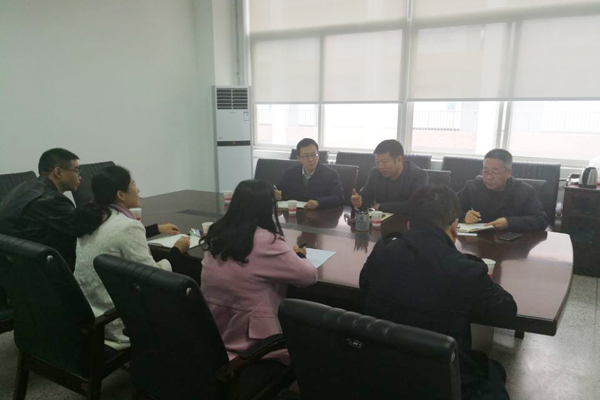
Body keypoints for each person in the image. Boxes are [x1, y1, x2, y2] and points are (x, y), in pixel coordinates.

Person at [360, 185, 517, 400]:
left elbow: (364, 285)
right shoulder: (466, 269)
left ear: (409, 224)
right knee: (494, 370)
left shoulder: (382, 250)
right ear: (454, 227)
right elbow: (507, 312)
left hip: (381, 369)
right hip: (440, 377)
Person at [74, 165, 190, 350]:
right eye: (134, 184)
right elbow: (154, 277)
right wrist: (176, 251)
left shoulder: (90, 218)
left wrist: (156, 229)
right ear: (120, 194)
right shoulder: (127, 227)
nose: (138, 190)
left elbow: (114, 237)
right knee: (189, 295)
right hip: (118, 320)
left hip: (89, 312)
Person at [201, 179, 318, 363]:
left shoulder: (216, 233)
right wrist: (300, 256)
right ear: (267, 209)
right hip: (255, 350)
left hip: (215, 339)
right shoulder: (266, 241)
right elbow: (309, 277)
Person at [0, 148, 83, 270]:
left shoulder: (24, 186)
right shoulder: (51, 200)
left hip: (13, 268)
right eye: (76, 170)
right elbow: (83, 227)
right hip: (42, 270)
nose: (80, 176)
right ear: (58, 172)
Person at [458, 149, 548, 232]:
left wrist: (508, 222)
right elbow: (451, 207)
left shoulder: (525, 191)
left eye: (495, 172)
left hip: (512, 241)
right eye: (485, 171)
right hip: (478, 240)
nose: (489, 177)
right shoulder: (473, 186)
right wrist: (464, 217)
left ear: (508, 172)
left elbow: (541, 220)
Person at [351, 139, 428, 214]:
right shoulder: (375, 173)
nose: (380, 166)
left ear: (399, 160)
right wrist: (358, 201)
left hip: (406, 220)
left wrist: (382, 206)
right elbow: (365, 197)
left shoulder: (419, 175)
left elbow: (416, 205)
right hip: (380, 220)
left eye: (384, 162)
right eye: (377, 162)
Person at [274, 138, 344, 209]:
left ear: (318, 155)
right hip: (295, 213)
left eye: (314, 155)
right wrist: (276, 194)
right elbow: (278, 190)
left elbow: (339, 198)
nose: (311, 159)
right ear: (299, 158)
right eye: (306, 156)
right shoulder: (290, 174)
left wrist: (318, 202)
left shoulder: (330, 174)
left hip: (320, 214)